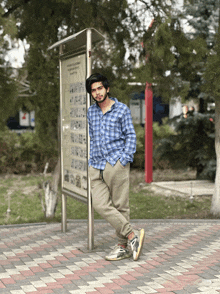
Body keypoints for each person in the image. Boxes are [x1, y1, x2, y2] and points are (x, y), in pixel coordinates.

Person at [86, 73, 145, 261]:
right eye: (93, 90)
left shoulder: (122, 110)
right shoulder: (91, 112)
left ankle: (122, 247)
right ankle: (131, 235)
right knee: (100, 204)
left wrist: (124, 160)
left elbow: (131, 136)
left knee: (121, 206)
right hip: (96, 165)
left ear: (107, 88)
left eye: (100, 88)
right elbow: (93, 138)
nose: (97, 93)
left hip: (116, 163)